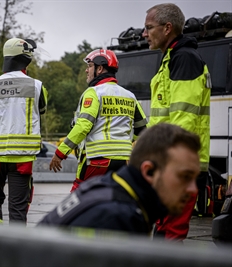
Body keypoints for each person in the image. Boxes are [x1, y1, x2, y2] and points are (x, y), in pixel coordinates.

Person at [38, 123, 201, 236]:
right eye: (184, 177)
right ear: (149, 172)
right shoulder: (119, 218)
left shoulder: (108, 189)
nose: (193, 189)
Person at [142, 3, 211, 242]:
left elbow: (184, 119)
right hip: (169, 162)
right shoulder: (172, 58)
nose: (144, 34)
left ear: (167, 28)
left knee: (169, 235)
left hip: (177, 166)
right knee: (162, 232)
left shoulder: (184, 58)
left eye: (149, 27)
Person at [49, 49, 147, 192]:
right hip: (123, 161)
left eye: (89, 66)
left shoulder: (94, 92)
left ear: (100, 68)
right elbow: (142, 130)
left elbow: (83, 126)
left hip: (98, 159)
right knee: (111, 200)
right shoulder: (130, 96)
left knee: (79, 200)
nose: (86, 70)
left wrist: (60, 153)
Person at [0, 37, 48, 225]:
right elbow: (40, 113)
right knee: (17, 208)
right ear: (26, 59)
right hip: (21, 158)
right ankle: (15, 251)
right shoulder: (36, 86)